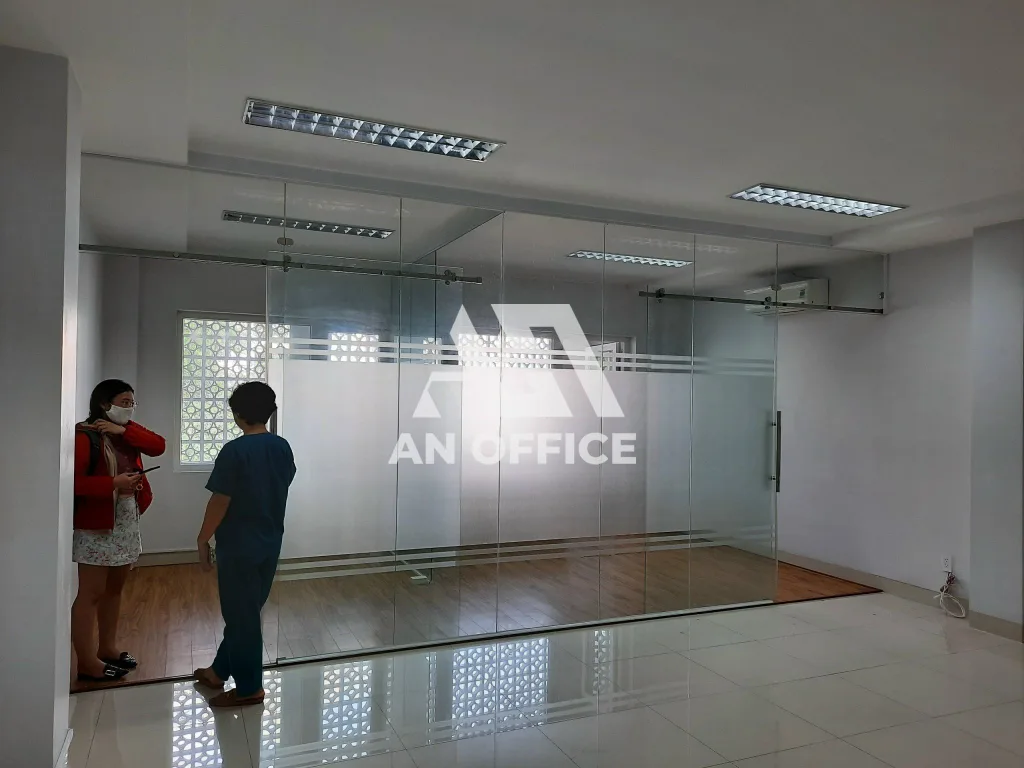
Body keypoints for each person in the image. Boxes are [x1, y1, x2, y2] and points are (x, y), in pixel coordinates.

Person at [194, 382, 296, 707]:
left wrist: (202, 538)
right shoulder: (282, 447)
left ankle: (250, 688)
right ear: (270, 411)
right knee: (246, 612)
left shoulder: (234, 451)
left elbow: (220, 500)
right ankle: (218, 671)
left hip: (239, 546)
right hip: (269, 541)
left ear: (237, 415)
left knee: (242, 617)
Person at [72, 379, 166, 682]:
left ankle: (108, 648)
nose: (130, 408)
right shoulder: (85, 436)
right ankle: (87, 662)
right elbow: (73, 483)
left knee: (115, 589)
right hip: (97, 522)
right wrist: (114, 483)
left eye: (132, 403)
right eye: (124, 403)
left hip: (125, 517)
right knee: (91, 593)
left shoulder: (125, 432)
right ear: (104, 404)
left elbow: (159, 446)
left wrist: (123, 430)